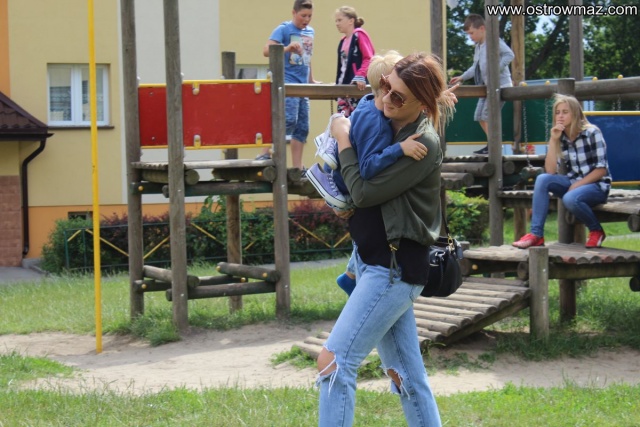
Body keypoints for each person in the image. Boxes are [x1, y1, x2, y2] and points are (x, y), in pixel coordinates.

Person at [316, 52, 454, 427]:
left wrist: (343, 139)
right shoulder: (380, 118)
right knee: (405, 376)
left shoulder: (423, 143)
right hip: (369, 260)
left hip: (393, 270)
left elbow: (363, 192)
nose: (386, 98)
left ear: (421, 104)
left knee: (333, 362)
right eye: (385, 86)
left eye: (397, 96)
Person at [307, 51, 428, 295]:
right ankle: (352, 276)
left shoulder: (366, 102)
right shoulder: (380, 127)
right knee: (369, 219)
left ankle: (351, 275)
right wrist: (399, 149)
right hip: (349, 184)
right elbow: (368, 166)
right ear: (386, 87)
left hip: (340, 175)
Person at [512, 94, 611, 249]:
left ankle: (596, 230)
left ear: (575, 113)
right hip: (573, 183)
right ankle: (536, 235)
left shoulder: (592, 132)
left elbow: (601, 170)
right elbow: (551, 171)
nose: (560, 116)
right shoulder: (561, 136)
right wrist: (553, 140)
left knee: (570, 198)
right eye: (557, 112)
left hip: (597, 186)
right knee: (542, 179)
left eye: (565, 112)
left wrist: (577, 185)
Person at [255, 0, 318, 170]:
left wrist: (311, 79)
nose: (306, 19)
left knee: (302, 127)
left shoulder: (310, 32)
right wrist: (287, 48)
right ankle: (265, 152)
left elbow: (307, 58)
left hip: (303, 84)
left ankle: (297, 167)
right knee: (288, 119)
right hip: (287, 81)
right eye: (303, 15)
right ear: (294, 13)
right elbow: (266, 51)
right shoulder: (283, 29)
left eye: (310, 16)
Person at [449, 13, 514, 155]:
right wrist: (462, 77)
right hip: (487, 87)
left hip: (500, 85)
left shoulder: (493, 42)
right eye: (468, 34)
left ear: (482, 28)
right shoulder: (478, 47)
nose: (470, 37)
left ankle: (495, 146)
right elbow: (475, 67)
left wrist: (496, 68)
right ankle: (492, 144)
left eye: (472, 33)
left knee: (486, 115)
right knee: (479, 116)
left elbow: (509, 55)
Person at [333, 6, 375, 118]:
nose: (337, 23)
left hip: (357, 87)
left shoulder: (359, 35)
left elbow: (369, 58)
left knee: (357, 119)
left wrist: (360, 75)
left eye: (340, 20)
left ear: (351, 20)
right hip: (344, 88)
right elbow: (342, 67)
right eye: (336, 21)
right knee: (342, 119)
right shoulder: (343, 41)